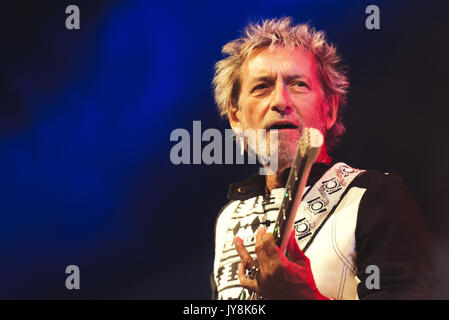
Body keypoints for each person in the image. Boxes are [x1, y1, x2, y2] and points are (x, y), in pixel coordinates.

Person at [209, 17, 437, 300]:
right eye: (261, 87)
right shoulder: (229, 219)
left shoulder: (377, 196)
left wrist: (302, 296)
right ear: (236, 116)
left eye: (299, 84)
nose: (280, 100)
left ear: (329, 109)